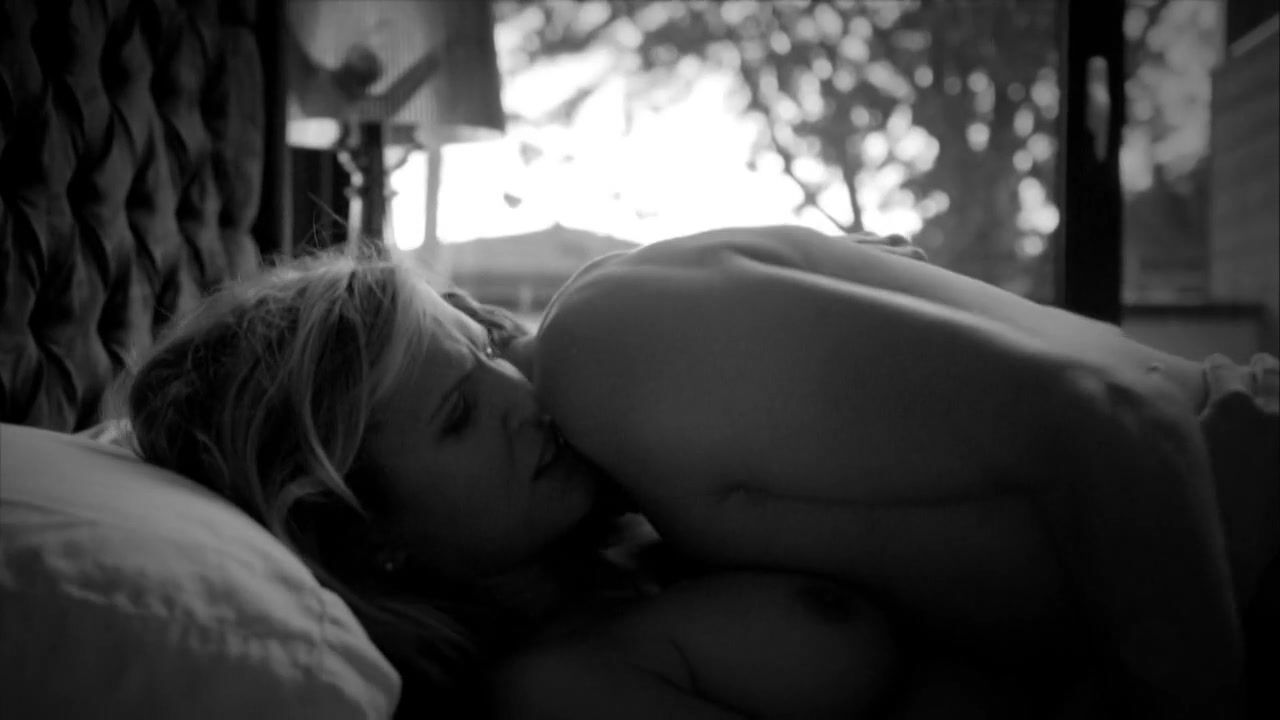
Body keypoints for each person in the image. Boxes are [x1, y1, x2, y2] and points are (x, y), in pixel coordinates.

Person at [119, 229, 1275, 718]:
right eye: (462, 415)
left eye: (485, 341)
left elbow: (1115, 416)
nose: (521, 395)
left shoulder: (605, 352)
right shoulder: (592, 621)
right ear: (367, 537)